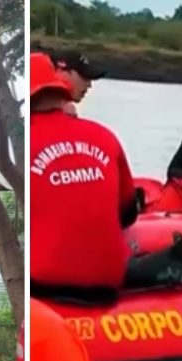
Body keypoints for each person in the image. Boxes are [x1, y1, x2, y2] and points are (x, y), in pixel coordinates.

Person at [30, 52, 138, 299]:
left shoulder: (25, 144)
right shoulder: (104, 135)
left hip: (45, 286)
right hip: (107, 284)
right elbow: (128, 212)